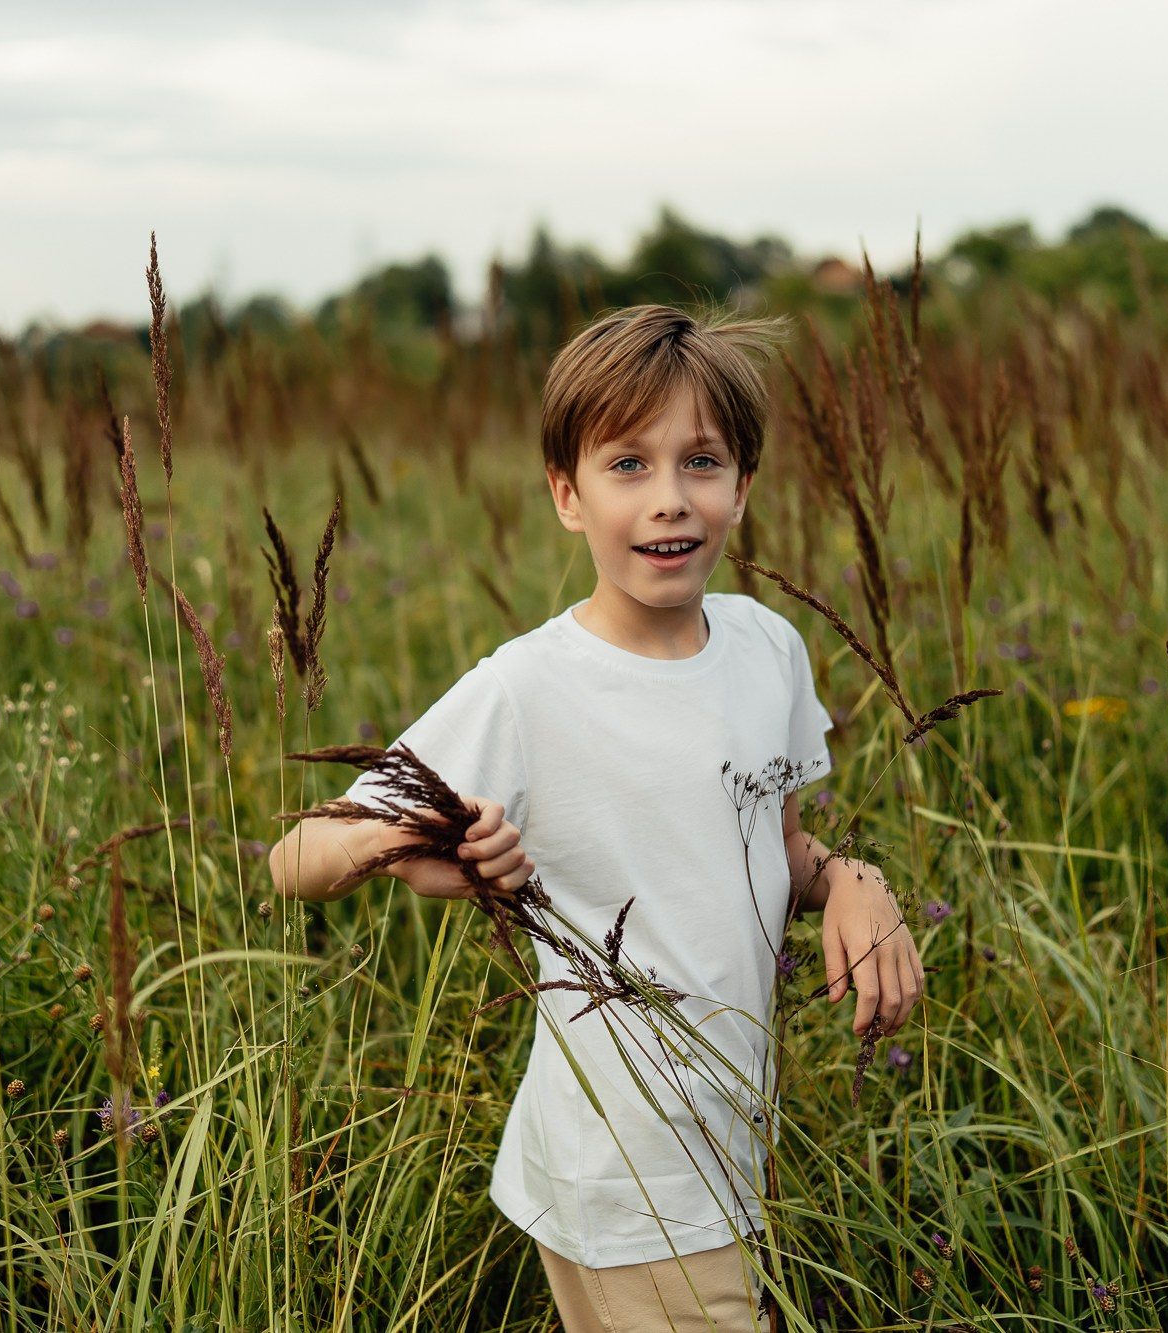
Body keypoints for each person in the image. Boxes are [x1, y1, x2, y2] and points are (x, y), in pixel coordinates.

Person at [268, 304, 924, 1332]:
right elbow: (292, 856)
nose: (669, 500)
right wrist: (399, 843)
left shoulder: (766, 650)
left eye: (700, 461)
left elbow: (776, 850)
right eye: (626, 465)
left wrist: (851, 881)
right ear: (565, 495)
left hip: (729, 1140)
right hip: (626, 1170)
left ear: (743, 487)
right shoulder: (529, 687)